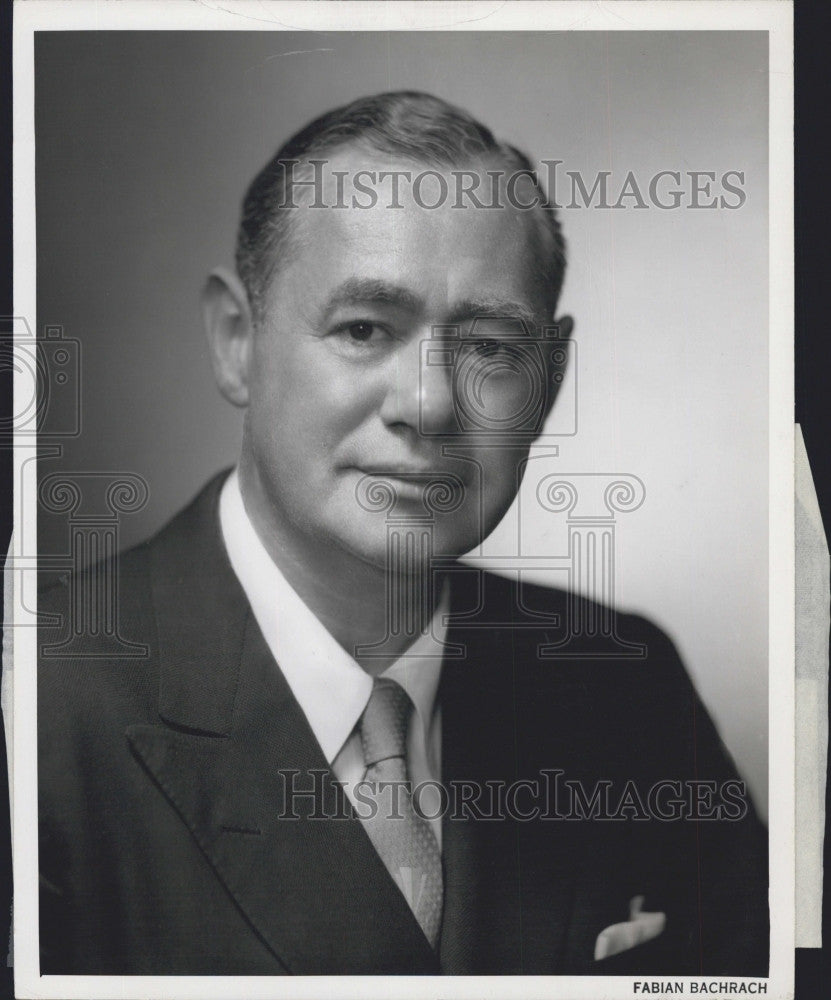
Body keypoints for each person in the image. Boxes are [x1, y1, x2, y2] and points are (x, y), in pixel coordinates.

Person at [38, 91, 768, 976]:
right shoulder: (38, 711)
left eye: (491, 349)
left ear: (548, 379)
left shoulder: (625, 691)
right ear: (237, 341)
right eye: (363, 330)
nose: (427, 404)